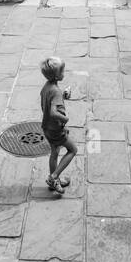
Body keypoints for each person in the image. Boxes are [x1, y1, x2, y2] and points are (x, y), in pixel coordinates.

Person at [39, 57, 77, 194]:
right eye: (62, 71)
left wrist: (62, 97)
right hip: (55, 130)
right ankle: (53, 177)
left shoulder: (47, 87)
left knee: (54, 153)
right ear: (56, 75)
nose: (64, 73)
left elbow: (49, 104)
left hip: (47, 127)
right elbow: (53, 112)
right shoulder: (55, 91)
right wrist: (65, 119)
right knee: (73, 150)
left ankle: (55, 181)